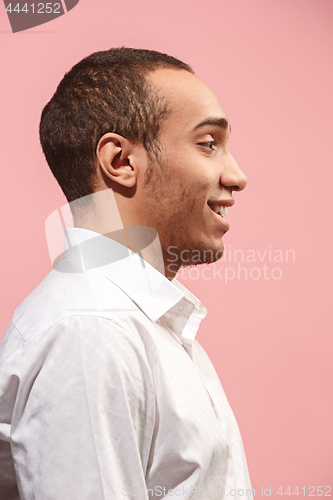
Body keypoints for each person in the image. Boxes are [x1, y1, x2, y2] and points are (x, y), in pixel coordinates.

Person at [0, 47, 253, 499]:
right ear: (120, 162)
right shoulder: (90, 330)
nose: (236, 176)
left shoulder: (136, 321)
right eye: (208, 143)